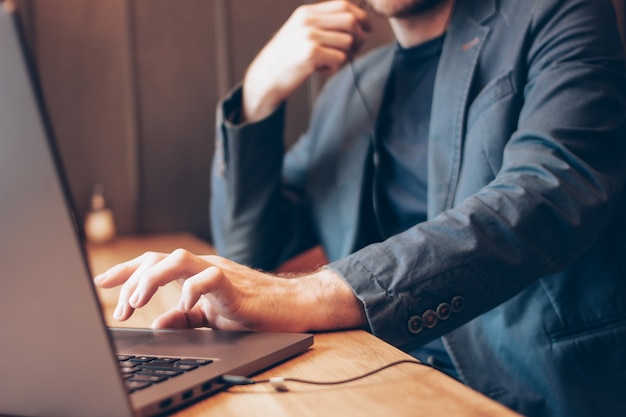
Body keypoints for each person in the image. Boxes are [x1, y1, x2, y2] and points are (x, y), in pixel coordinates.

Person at [95, 0, 626, 416]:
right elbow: (247, 250)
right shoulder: (351, 90)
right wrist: (258, 93)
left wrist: (315, 294)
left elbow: (547, 192)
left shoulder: (558, 12)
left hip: (536, 387)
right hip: (377, 377)